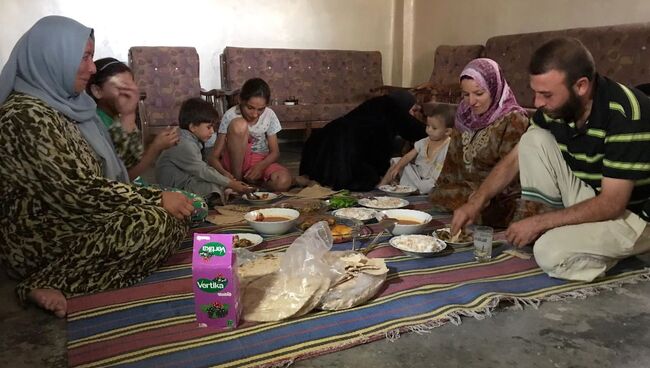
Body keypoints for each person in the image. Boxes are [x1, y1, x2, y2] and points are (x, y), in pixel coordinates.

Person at [0, 16, 193, 318]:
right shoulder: (25, 115)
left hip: (82, 213)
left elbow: (124, 166)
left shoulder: (73, 105)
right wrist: (155, 199)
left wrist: (128, 115)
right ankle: (42, 281)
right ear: (53, 56)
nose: (92, 68)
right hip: (46, 233)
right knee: (153, 223)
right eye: (85, 57)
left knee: (174, 216)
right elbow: (73, 190)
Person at [451, 37, 650, 281]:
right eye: (535, 93)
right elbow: (515, 159)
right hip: (593, 196)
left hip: (633, 217)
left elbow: (613, 204)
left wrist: (539, 223)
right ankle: (575, 236)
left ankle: (620, 252)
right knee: (532, 139)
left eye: (546, 94)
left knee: (549, 253)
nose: (537, 103)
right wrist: (477, 201)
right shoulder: (561, 107)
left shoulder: (627, 114)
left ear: (581, 86)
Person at [429, 58, 529, 228]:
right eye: (466, 94)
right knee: (438, 194)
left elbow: (512, 177)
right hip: (465, 190)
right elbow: (452, 165)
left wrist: (479, 197)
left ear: (494, 89)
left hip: (496, 196)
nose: (471, 101)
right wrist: (443, 189)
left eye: (479, 93)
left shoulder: (514, 120)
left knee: (496, 208)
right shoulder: (464, 114)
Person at [298, 90, 428, 191]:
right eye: (413, 110)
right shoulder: (391, 108)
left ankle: (312, 181)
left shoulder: (376, 105)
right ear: (404, 107)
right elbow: (417, 131)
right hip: (342, 146)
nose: (413, 115)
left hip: (322, 140)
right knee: (367, 178)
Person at [87, 57, 179, 181]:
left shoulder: (117, 117)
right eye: (121, 88)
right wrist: (155, 148)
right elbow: (124, 178)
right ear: (97, 91)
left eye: (131, 87)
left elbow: (133, 160)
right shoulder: (96, 126)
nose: (130, 95)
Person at [156, 97, 253, 204]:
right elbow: (202, 170)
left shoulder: (188, 138)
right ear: (193, 127)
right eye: (208, 127)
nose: (212, 132)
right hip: (173, 188)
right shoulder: (184, 144)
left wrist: (225, 179)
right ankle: (216, 198)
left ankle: (222, 194)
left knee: (217, 182)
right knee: (212, 186)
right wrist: (231, 183)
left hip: (187, 180)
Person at [207, 78, 292, 192]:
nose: (255, 114)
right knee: (239, 124)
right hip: (234, 163)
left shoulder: (269, 115)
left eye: (261, 109)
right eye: (250, 108)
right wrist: (224, 174)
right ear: (240, 100)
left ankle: (253, 187)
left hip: (260, 160)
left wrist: (260, 166)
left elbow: (275, 152)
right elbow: (213, 157)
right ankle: (238, 183)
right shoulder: (231, 115)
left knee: (283, 181)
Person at [379, 103, 454, 194]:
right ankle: (380, 187)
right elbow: (407, 157)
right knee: (397, 161)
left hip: (432, 180)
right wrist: (397, 168)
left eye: (434, 128)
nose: (429, 130)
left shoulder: (449, 146)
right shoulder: (424, 142)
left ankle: (410, 191)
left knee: (429, 186)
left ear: (447, 131)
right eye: (427, 126)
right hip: (417, 175)